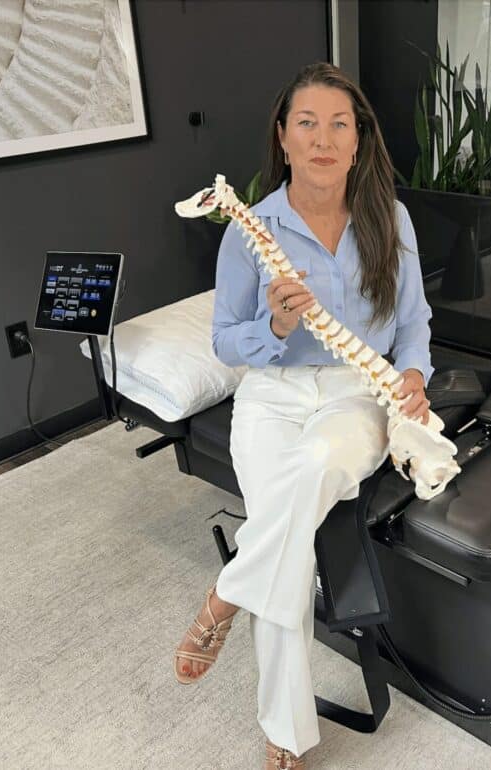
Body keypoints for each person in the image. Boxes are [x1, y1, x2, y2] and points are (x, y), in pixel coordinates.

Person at [173, 62, 434, 769]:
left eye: (339, 124)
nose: (323, 138)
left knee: (314, 469)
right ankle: (286, 734)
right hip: (272, 396)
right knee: (286, 539)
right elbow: (226, 339)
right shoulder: (249, 230)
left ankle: (226, 595)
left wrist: (413, 374)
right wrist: (277, 328)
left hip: (357, 393)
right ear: (284, 139)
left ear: (358, 140)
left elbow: (414, 321)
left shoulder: (390, 219)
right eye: (307, 123)